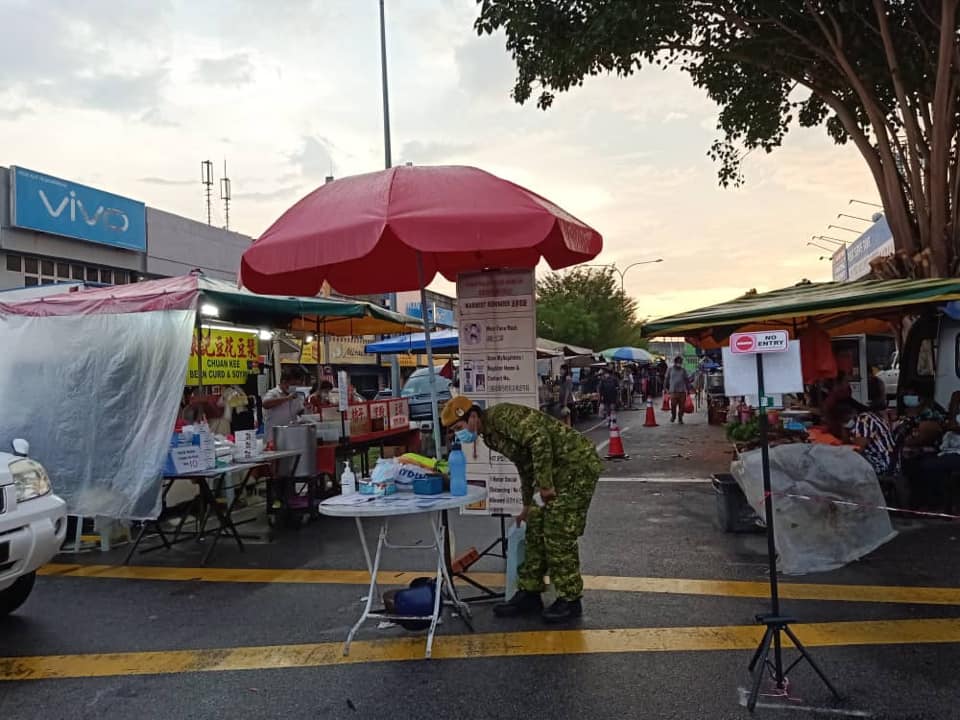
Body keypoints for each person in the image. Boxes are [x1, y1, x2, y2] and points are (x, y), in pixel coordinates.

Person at [440, 396, 601, 623]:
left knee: (558, 532)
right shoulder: (490, 437)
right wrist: (527, 504)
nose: (460, 434)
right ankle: (530, 593)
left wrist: (544, 485)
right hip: (554, 473)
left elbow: (540, 441)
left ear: (473, 416)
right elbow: (524, 464)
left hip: (575, 466)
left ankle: (570, 599)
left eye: (459, 428)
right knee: (534, 528)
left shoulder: (502, 417)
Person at [840, 401, 896, 477]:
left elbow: (857, 449)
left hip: (882, 466)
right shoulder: (873, 418)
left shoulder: (865, 419)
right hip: (888, 464)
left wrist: (844, 428)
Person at [262, 369, 305, 438]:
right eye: (293, 384)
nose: (295, 387)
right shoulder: (274, 393)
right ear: (284, 382)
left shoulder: (297, 395)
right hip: (274, 437)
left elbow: (299, 411)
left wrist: (305, 411)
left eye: (297, 385)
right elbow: (265, 404)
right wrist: (287, 398)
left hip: (291, 435)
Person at [665, 356, 691, 424]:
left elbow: (687, 380)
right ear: (675, 362)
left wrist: (688, 390)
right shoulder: (670, 369)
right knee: (673, 405)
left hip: (682, 391)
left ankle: (680, 418)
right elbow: (666, 379)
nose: (679, 363)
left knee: (682, 406)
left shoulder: (683, 370)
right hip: (673, 391)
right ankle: (673, 416)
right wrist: (665, 388)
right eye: (678, 362)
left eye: (680, 362)